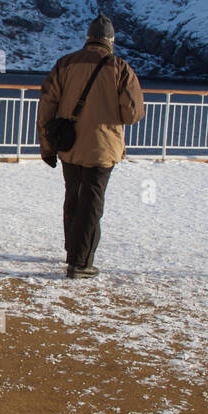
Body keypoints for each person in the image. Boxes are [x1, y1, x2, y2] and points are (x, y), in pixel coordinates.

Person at [37, 14, 145, 278]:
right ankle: (81, 263)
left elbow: (46, 106)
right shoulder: (120, 68)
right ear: (110, 40)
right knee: (92, 202)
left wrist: (47, 146)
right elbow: (132, 113)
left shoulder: (65, 64)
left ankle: (72, 249)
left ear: (88, 37)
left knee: (73, 196)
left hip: (69, 144)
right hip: (103, 146)